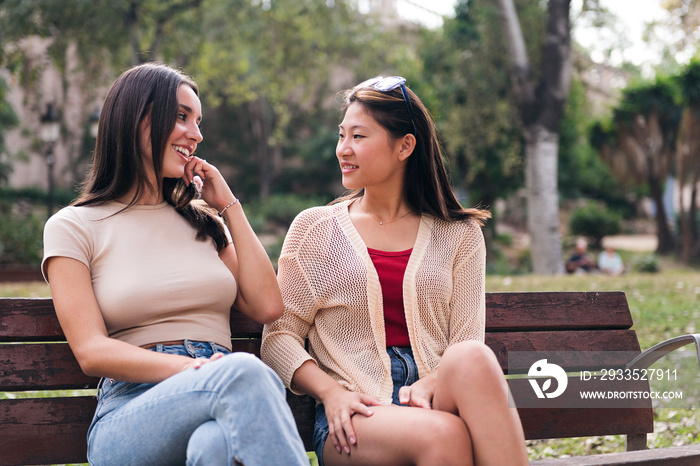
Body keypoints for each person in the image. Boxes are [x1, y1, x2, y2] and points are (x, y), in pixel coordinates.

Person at [42, 63, 308, 466]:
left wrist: (229, 206)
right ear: (137, 120)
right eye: (181, 116)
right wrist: (194, 368)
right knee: (243, 374)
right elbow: (91, 351)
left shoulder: (203, 222)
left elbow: (268, 306)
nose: (196, 134)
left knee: (214, 446)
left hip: (218, 389)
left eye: (198, 121)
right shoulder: (74, 226)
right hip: (131, 411)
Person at [261, 76, 528, 465]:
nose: (343, 150)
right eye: (342, 136)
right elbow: (279, 336)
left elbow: (466, 340)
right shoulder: (315, 230)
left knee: (474, 357)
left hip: (436, 398)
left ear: (405, 146)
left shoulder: (460, 235)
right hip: (356, 416)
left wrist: (434, 380)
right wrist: (330, 394)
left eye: (359, 136)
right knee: (444, 434)